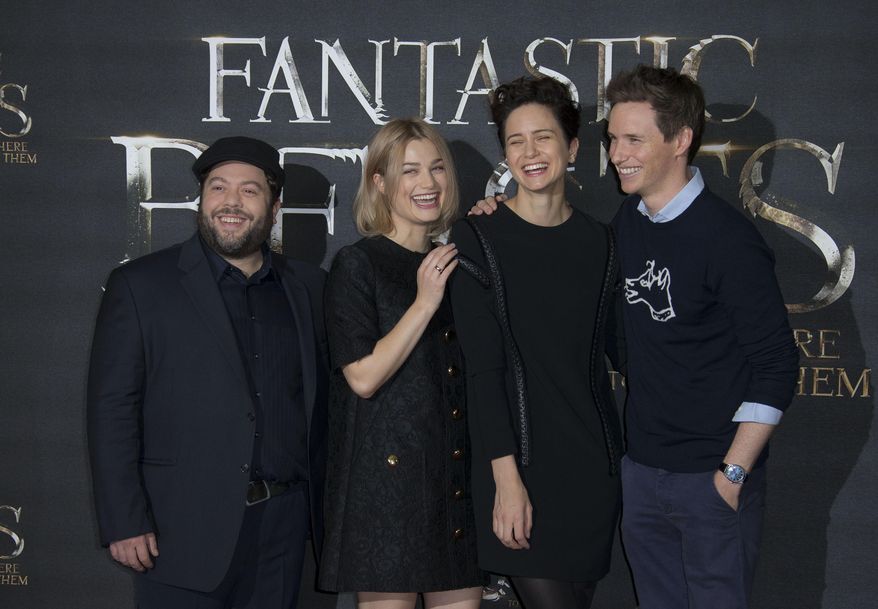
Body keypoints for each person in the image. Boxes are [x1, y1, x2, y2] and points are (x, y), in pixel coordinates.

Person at [87, 136, 328, 609]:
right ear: (202, 200)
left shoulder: (308, 287)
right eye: (218, 188)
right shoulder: (140, 286)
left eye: (249, 190)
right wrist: (124, 519)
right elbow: (112, 408)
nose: (231, 202)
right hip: (180, 529)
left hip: (283, 531)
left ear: (274, 207)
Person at [605, 65, 799, 608]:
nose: (617, 152)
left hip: (711, 482)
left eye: (634, 139)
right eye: (614, 138)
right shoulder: (627, 221)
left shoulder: (728, 240)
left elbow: (778, 364)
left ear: (681, 139)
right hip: (642, 475)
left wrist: (732, 475)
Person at [449, 76, 625, 609]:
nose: (529, 152)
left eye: (543, 137)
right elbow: (483, 371)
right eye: (515, 141)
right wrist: (506, 480)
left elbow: (621, 353)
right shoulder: (478, 238)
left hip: (592, 473)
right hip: (517, 470)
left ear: (571, 149)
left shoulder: (602, 242)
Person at [318, 119, 483, 609]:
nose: (428, 183)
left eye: (437, 168)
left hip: (455, 485)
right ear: (379, 182)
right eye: (409, 171)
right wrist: (424, 302)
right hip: (386, 493)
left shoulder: (457, 264)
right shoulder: (357, 264)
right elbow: (363, 378)